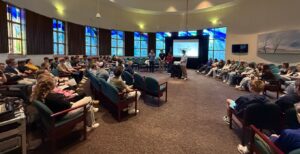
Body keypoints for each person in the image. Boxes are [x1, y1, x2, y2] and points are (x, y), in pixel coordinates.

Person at [31, 76, 99, 131]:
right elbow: (67, 105)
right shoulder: (52, 96)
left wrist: (64, 98)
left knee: (86, 102)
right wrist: (66, 99)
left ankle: (91, 109)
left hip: (59, 112)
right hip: (64, 114)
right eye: (53, 82)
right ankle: (90, 125)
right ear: (50, 86)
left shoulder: (41, 94)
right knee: (88, 100)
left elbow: (63, 103)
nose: (55, 83)